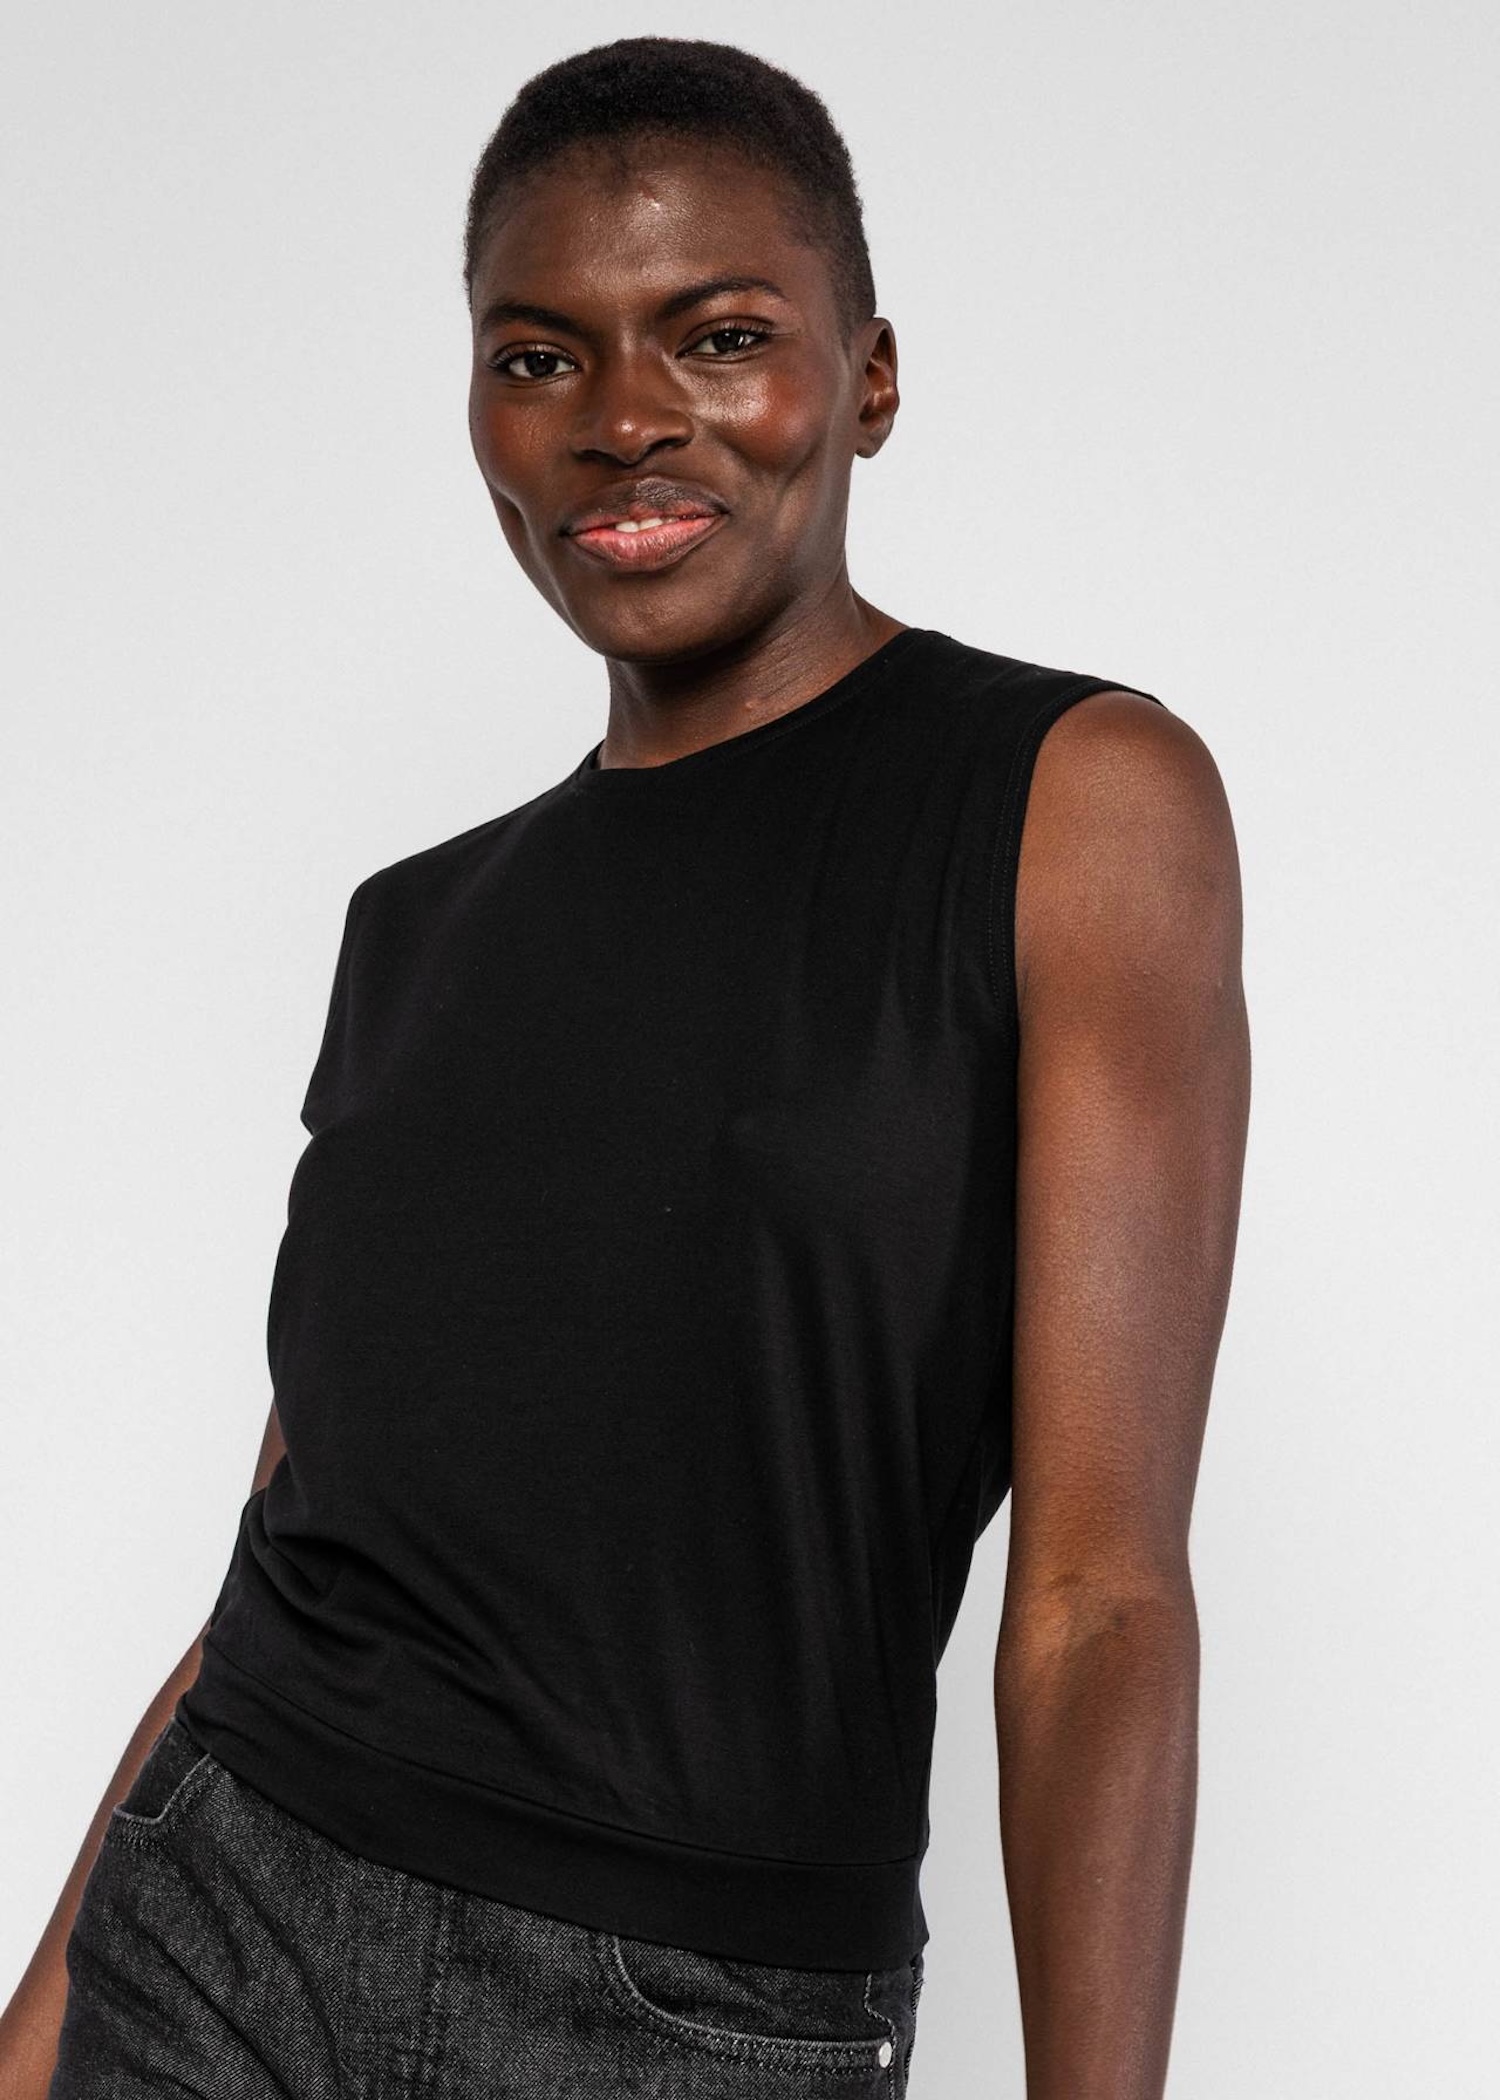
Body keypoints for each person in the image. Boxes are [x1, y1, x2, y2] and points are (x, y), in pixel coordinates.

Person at [6, 35, 1249, 2100]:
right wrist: (41, 2025)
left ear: (868, 377)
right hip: (221, 1932)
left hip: (685, 2016)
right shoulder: (413, 928)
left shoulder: (1069, 802)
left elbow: (1101, 1597)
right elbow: (292, 1541)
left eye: (721, 336)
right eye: (539, 356)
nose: (625, 418)